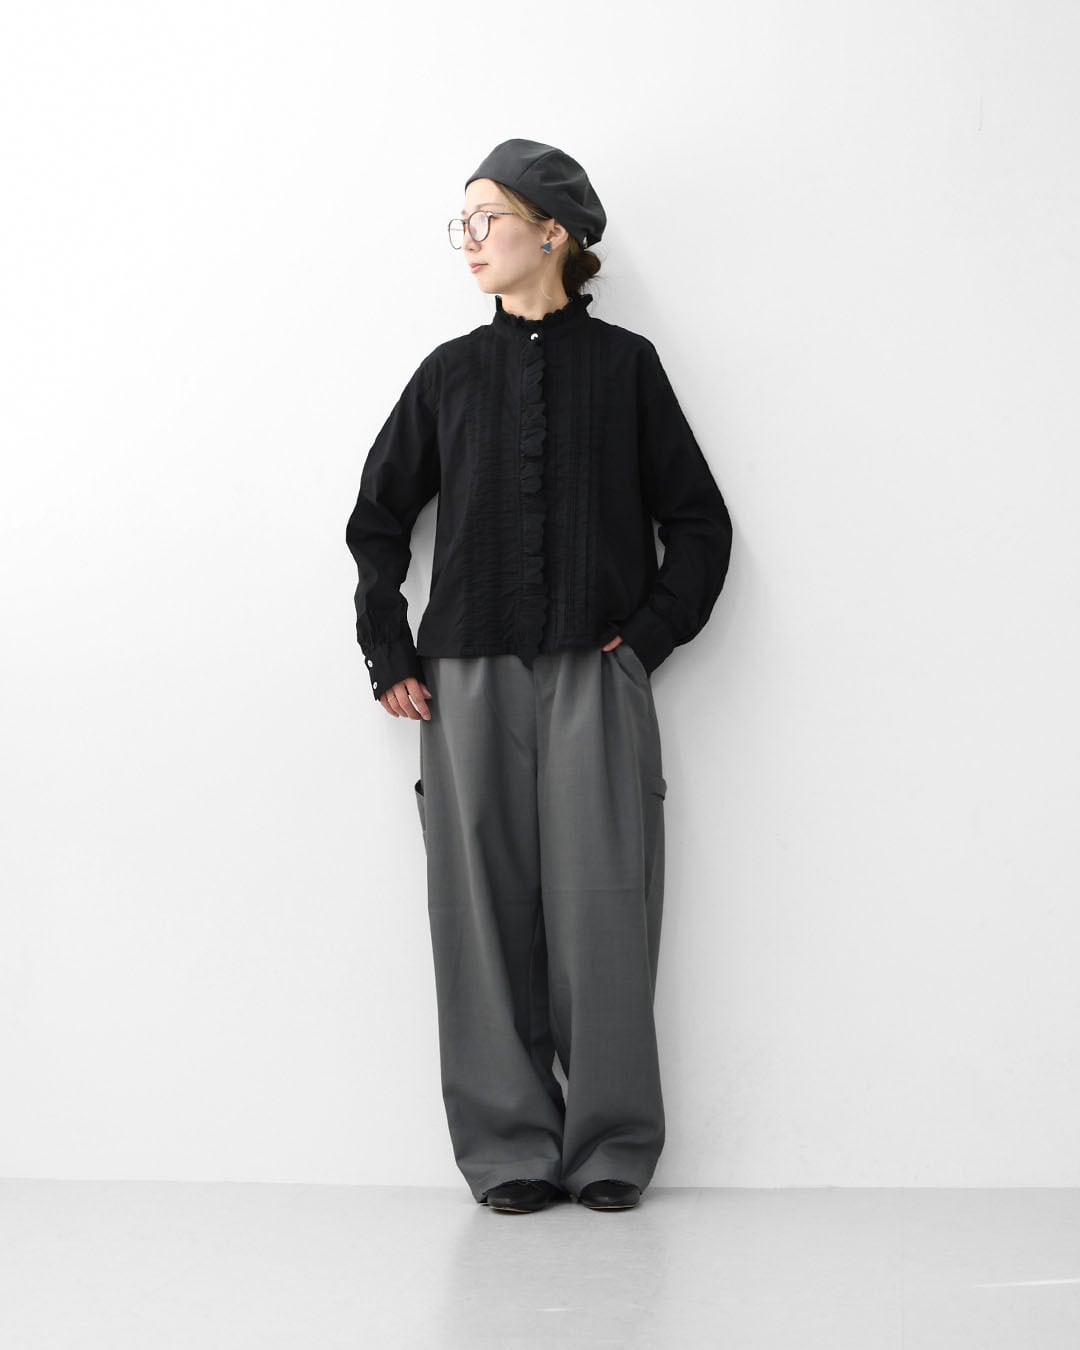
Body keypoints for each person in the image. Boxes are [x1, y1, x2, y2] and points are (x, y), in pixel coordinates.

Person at [345, 139, 732, 1214]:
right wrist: (388, 647)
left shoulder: (627, 369)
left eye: (488, 219)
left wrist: (646, 638)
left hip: (594, 672)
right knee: (478, 908)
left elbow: (700, 525)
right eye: (461, 223)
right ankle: (510, 1147)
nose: (469, 241)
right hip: (463, 678)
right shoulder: (448, 376)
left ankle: (610, 1145)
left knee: (605, 904)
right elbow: (377, 518)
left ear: (552, 231)